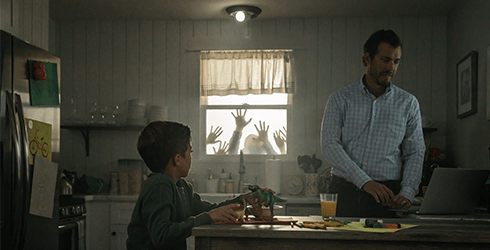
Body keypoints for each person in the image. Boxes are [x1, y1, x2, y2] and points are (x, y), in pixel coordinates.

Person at [321, 29, 426, 218]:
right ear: (368, 58)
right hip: (345, 192)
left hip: (388, 197)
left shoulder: (409, 103)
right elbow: (329, 145)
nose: (391, 68)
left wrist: (408, 192)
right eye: (385, 60)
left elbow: (415, 152)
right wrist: (364, 181)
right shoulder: (340, 98)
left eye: (396, 61)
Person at [126, 121, 266, 250]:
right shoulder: (159, 185)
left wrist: (243, 199)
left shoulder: (181, 186)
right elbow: (162, 235)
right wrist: (208, 217)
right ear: (178, 159)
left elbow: (211, 211)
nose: (191, 157)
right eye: (190, 152)